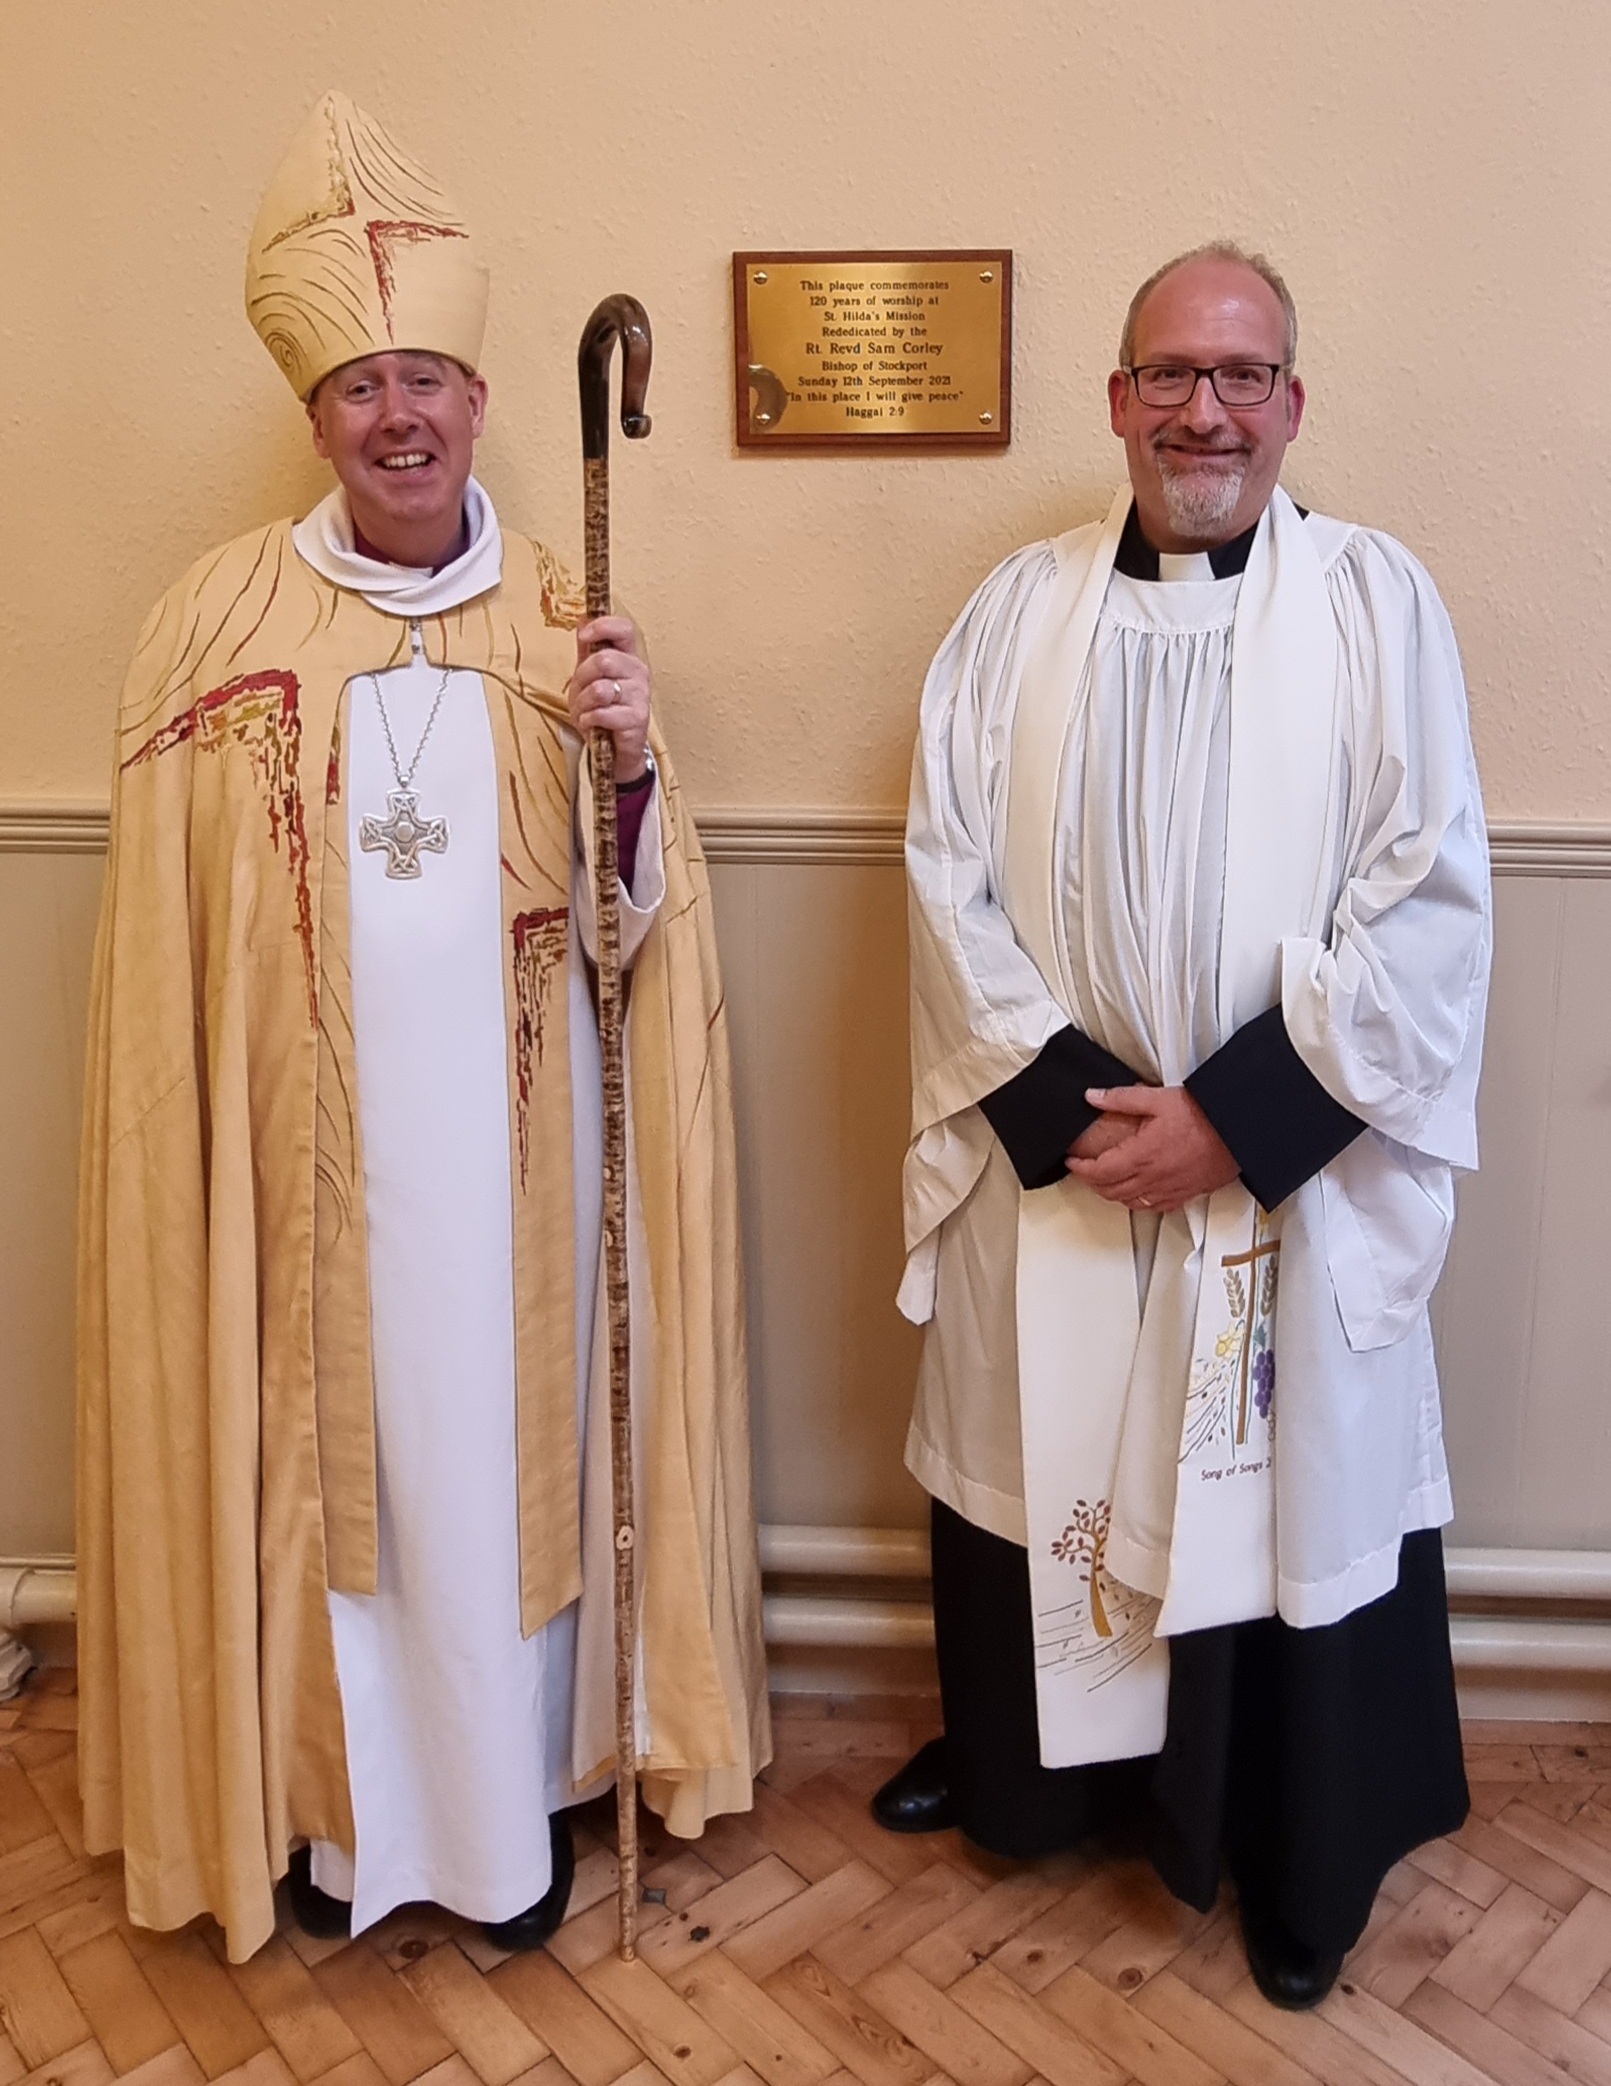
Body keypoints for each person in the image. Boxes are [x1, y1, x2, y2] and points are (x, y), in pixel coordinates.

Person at [77, 91, 768, 1965]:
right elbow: (170, 975)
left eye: (431, 380)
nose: (400, 415)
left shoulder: (571, 615)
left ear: (479, 403)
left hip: (517, 1176)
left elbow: (646, 945)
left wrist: (627, 768)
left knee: (496, 1472)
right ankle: (334, 1803)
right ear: (315, 413)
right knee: (333, 1477)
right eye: (361, 383)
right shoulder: (208, 629)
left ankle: (503, 1813)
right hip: (303, 1180)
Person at [880, 242, 1490, 2010]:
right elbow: (946, 873)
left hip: (1274, 1171)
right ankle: (1033, 1778)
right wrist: (1082, 1116)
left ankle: (1297, 1840)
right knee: (1045, 1427)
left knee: (1274, 1459)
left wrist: (1234, 1123)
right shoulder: (1016, 613)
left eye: (1240, 376)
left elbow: (1429, 895)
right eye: (1168, 374)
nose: (1202, 409)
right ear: (1120, 395)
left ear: (1293, 404)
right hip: (1069, 1155)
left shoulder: (1379, 608)